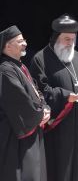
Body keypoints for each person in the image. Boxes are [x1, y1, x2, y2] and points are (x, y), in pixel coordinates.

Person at [29, 14, 78, 181]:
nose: (70, 43)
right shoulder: (41, 59)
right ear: (56, 38)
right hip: (59, 125)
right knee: (61, 166)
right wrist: (66, 96)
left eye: (73, 39)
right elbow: (39, 91)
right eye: (67, 39)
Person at [0, 25, 50, 181]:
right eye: (20, 41)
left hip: (33, 126)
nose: (25, 44)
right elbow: (20, 101)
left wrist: (45, 107)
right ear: (7, 46)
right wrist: (40, 113)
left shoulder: (20, 66)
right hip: (17, 133)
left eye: (24, 40)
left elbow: (37, 91)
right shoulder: (5, 69)